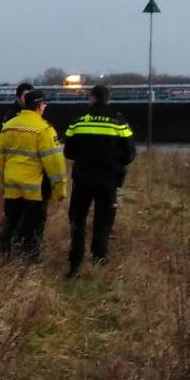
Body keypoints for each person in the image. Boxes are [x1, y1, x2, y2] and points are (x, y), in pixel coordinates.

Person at [63, 84, 136, 276]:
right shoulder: (119, 122)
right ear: (108, 99)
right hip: (108, 180)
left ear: (91, 98)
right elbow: (129, 154)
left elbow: (68, 151)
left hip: (83, 178)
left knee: (77, 219)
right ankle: (99, 258)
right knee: (104, 220)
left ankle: (75, 261)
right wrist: (114, 162)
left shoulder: (78, 121)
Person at [0, 90, 68, 262]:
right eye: (44, 105)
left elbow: (0, 158)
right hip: (35, 188)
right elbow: (54, 162)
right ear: (39, 106)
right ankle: (28, 261)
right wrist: (60, 188)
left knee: (11, 221)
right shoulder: (44, 129)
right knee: (33, 226)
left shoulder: (9, 126)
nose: (44, 108)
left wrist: (1, 183)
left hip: (12, 186)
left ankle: (5, 256)